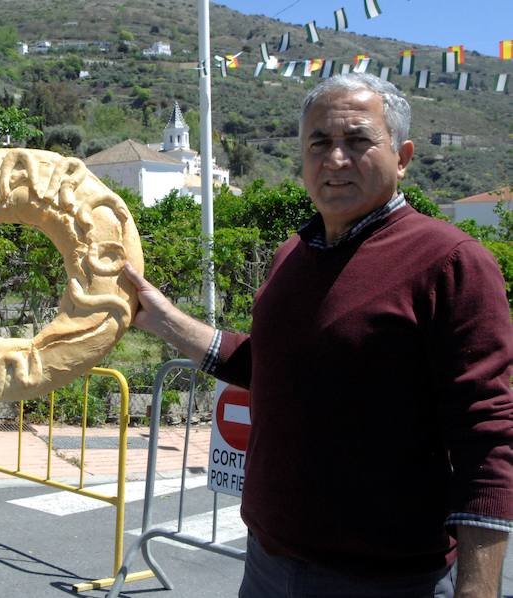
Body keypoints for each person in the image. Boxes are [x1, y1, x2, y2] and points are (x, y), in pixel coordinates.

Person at [124, 72, 512, 597]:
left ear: (402, 156)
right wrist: (162, 318)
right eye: (320, 143)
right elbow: (271, 366)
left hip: (389, 581)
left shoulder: (451, 263)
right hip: (266, 565)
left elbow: (487, 433)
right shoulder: (292, 256)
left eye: (358, 141)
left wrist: (478, 588)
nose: (335, 160)